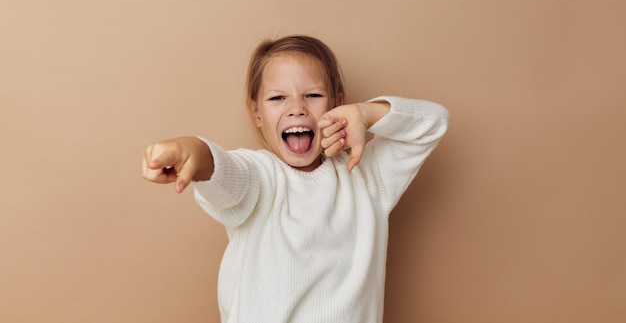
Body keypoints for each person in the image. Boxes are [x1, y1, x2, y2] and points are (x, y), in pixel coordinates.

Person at [141, 35, 449, 323]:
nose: (296, 109)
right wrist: (191, 148)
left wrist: (365, 113)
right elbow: (224, 170)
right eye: (277, 98)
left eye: (313, 95)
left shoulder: (367, 176)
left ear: (337, 104)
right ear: (256, 113)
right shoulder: (261, 176)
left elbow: (432, 123)